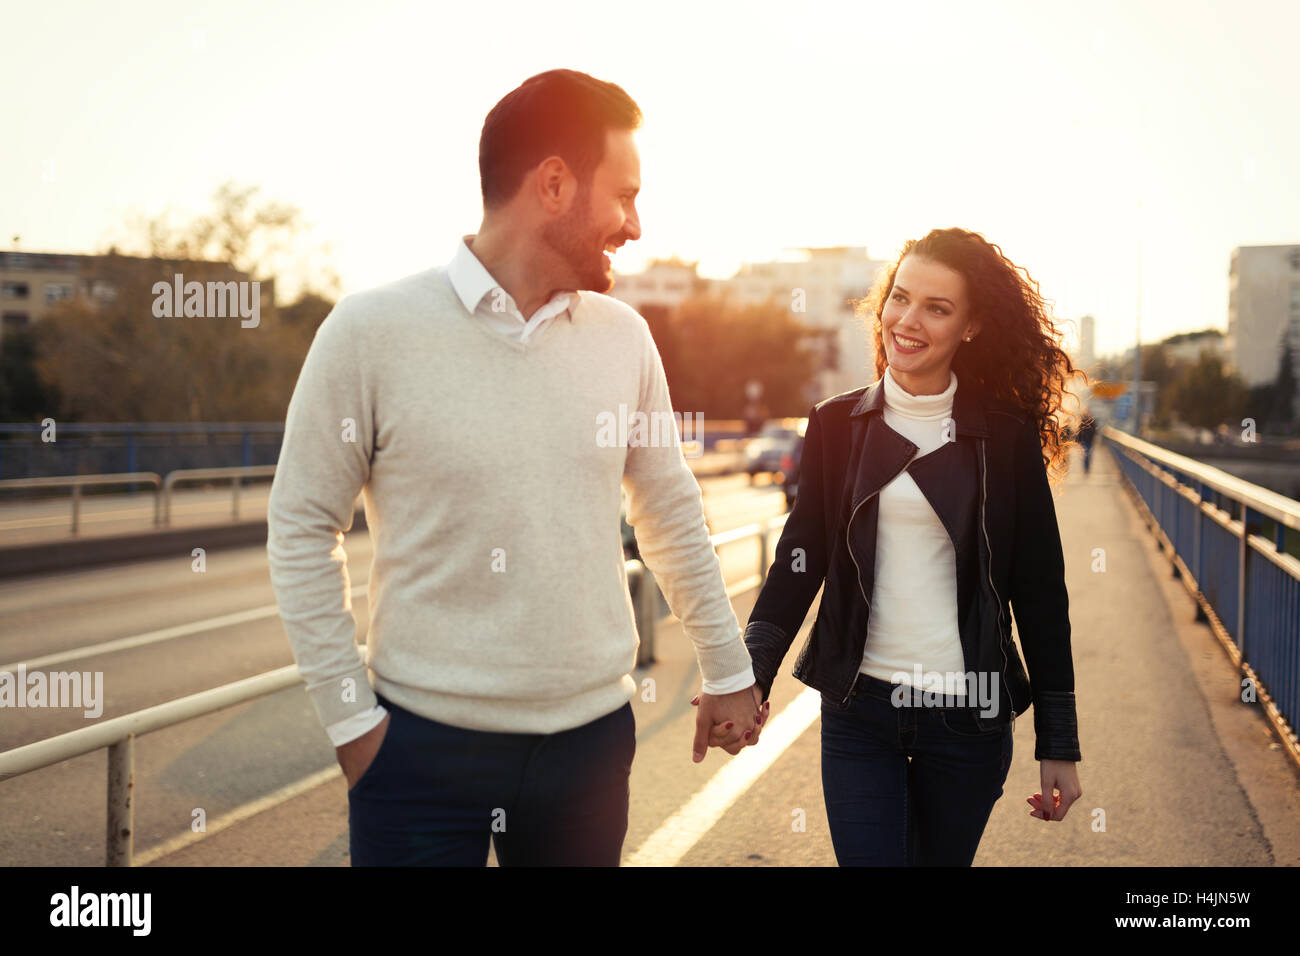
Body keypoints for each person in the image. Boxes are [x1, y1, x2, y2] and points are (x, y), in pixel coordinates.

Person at [266, 69, 765, 867]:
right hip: (419, 757)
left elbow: (668, 512)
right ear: (555, 183)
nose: (635, 225)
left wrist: (730, 669)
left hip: (588, 753)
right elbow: (299, 527)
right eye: (625, 196)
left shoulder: (624, 338)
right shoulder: (370, 330)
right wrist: (354, 730)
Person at [741, 227, 1084, 866]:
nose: (907, 319)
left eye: (937, 307)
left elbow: (1040, 590)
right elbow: (801, 558)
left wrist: (1057, 742)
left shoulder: (1004, 438)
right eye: (899, 298)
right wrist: (748, 678)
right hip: (860, 711)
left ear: (972, 326)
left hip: (969, 716)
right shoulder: (836, 425)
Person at [1075, 409, 1097, 474]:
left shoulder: (1092, 422)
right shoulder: (1083, 422)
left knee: (1087, 455)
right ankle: (1086, 467)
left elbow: (1094, 432)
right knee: (1086, 454)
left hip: (1089, 441)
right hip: (1085, 441)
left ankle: (1086, 467)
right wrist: (1078, 441)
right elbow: (1079, 432)